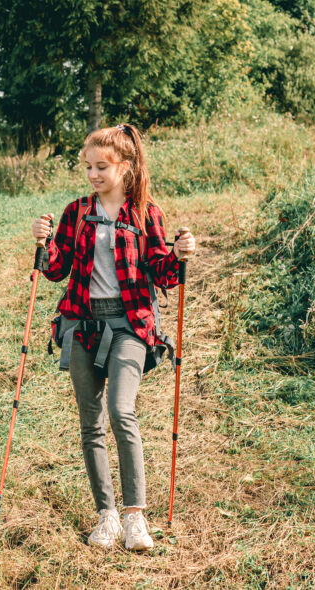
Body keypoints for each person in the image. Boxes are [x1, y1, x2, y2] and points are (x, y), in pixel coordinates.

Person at [31, 124, 195, 551]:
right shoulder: (76, 212)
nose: (93, 174)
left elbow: (162, 273)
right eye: (88, 166)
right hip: (83, 324)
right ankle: (106, 516)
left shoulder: (146, 214)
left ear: (126, 166)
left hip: (131, 324)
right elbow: (56, 269)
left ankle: (135, 518)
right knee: (91, 422)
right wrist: (44, 245)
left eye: (102, 166)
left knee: (122, 411)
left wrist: (176, 256)